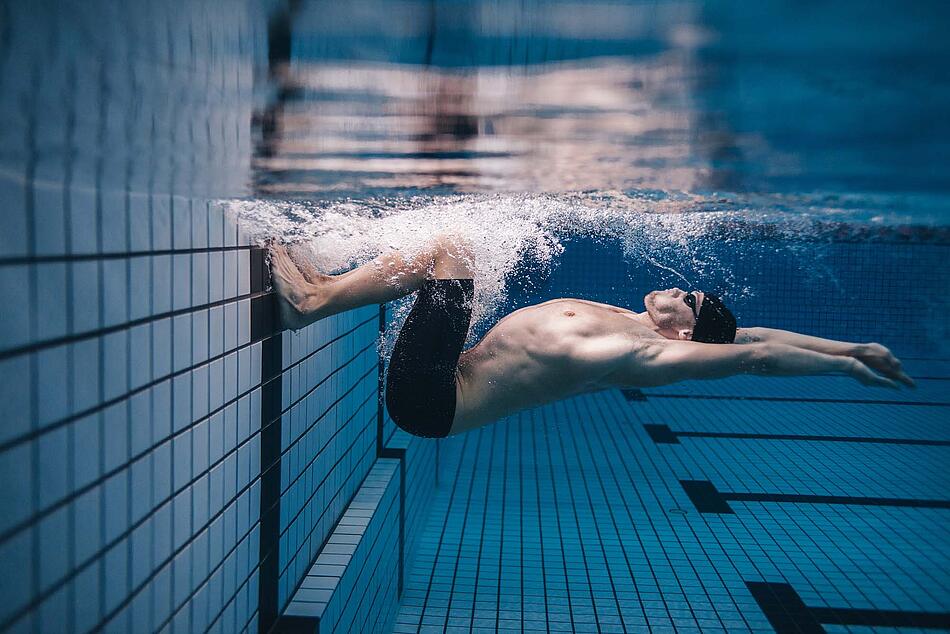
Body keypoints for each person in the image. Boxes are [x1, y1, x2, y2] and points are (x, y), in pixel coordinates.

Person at [268, 235, 914, 439]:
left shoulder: (644, 349)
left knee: (452, 250)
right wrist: (851, 347)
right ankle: (324, 285)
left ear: (684, 331)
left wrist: (843, 375)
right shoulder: (634, 319)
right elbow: (761, 333)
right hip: (446, 376)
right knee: (455, 250)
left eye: (688, 298)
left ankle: (312, 301)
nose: (682, 286)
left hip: (431, 400)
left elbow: (758, 357)